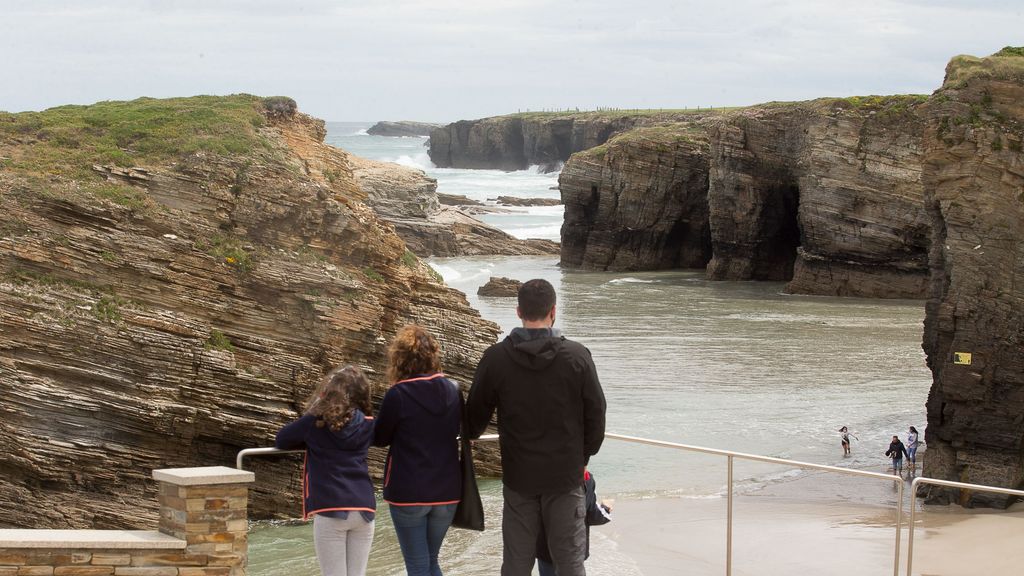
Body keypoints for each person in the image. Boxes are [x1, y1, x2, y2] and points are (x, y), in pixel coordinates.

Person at [466, 278, 607, 576]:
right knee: (569, 563)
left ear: (518, 311)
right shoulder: (577, 356)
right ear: (553, 311)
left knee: (516, 564)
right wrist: (581, 456)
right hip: (565, 477)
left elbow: (474, 419)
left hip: (520, 477)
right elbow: (597, 415)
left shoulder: (496, 359)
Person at [373, 325, 462, 576]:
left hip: (409, 490)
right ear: (433, 354)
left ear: (400, 358)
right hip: (447, 491)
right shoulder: (454, 390)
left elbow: (380, 438)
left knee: (418, 565)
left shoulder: (398, 394)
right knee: (430, 562)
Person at [275, 366, 376, 576]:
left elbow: (282, 439)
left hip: (332, 508)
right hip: (365, 508)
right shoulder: (368, 424)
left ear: (328, 391)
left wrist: (317, 405)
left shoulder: (315, 422)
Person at [535, 470, 612, 576]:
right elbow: (592, 515)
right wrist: (606, 508)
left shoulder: (542, 476)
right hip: (574, 548)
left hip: (546, 549)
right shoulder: (587, 479)